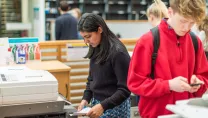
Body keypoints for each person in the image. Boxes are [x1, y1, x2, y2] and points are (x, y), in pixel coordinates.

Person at [128, 0, 208, 117]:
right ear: (170, 12)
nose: (186, 27)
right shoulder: (147, 41)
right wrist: (168, 85)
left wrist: (199, 83)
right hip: (155, 114)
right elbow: (135, 83)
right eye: (183, 21)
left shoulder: (195, 41)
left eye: (192, 23)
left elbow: (204, 77)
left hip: (187, 113)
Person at [77, 13, 131, 118]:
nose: (86, 41)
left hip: (115, 107)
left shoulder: (118, 52)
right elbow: (91, 78)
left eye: (88, 36)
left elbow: (125, 89)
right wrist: (86, 98)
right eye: (84, 37)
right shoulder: (95, 46)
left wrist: (102, 106)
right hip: (98, 104)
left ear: (100, 30)